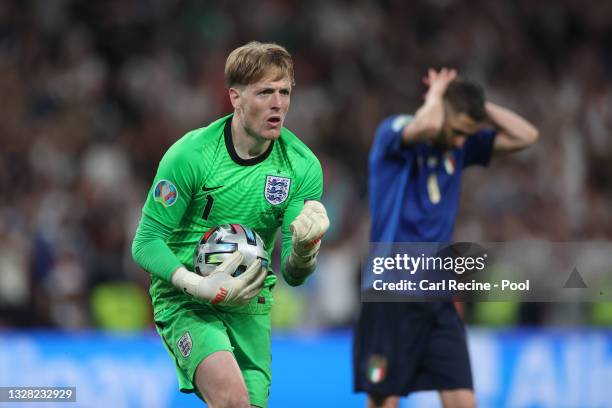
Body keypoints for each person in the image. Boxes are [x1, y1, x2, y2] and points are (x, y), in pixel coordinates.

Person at [131, 41, 329, 408]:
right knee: (232, 400)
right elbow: (145, 242)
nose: (278, 104)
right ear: (235, 98)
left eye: (285, 92)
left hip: (251, 303)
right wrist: (197, 285)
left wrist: (305, 250)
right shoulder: (190, 155)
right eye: (265, 92)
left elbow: (295, 275)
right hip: (187, 300)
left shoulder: (302, 167)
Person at [353, 68, 539, 408]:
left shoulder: (460, 147)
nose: (459, 141)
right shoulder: (392, 133)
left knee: (463, 400)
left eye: (466, 134)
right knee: (383, 401)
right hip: (390, 294)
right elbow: (424, 126)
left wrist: (478, 107)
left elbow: (526, 135)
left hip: (438, 299)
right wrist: (437, 95)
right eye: (456, 131)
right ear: (440, 113)